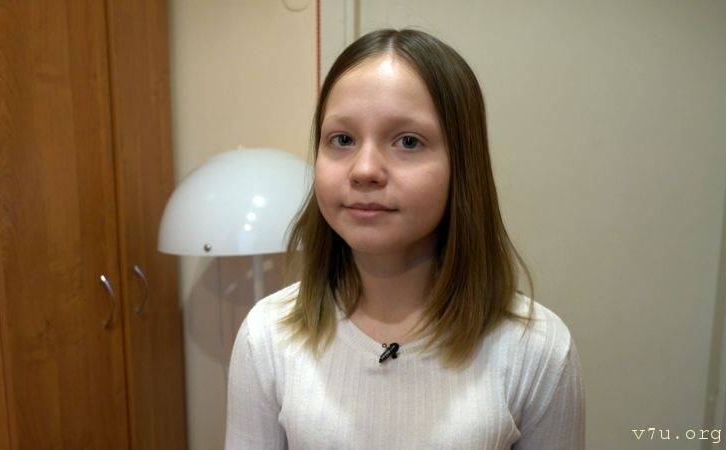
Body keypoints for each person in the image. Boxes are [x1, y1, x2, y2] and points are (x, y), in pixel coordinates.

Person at [225, 28, 585, 449]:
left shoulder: (538, 350)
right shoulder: (267, 337)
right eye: (342, 139)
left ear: (462, 165)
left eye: (408, 142)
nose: (364, 170)